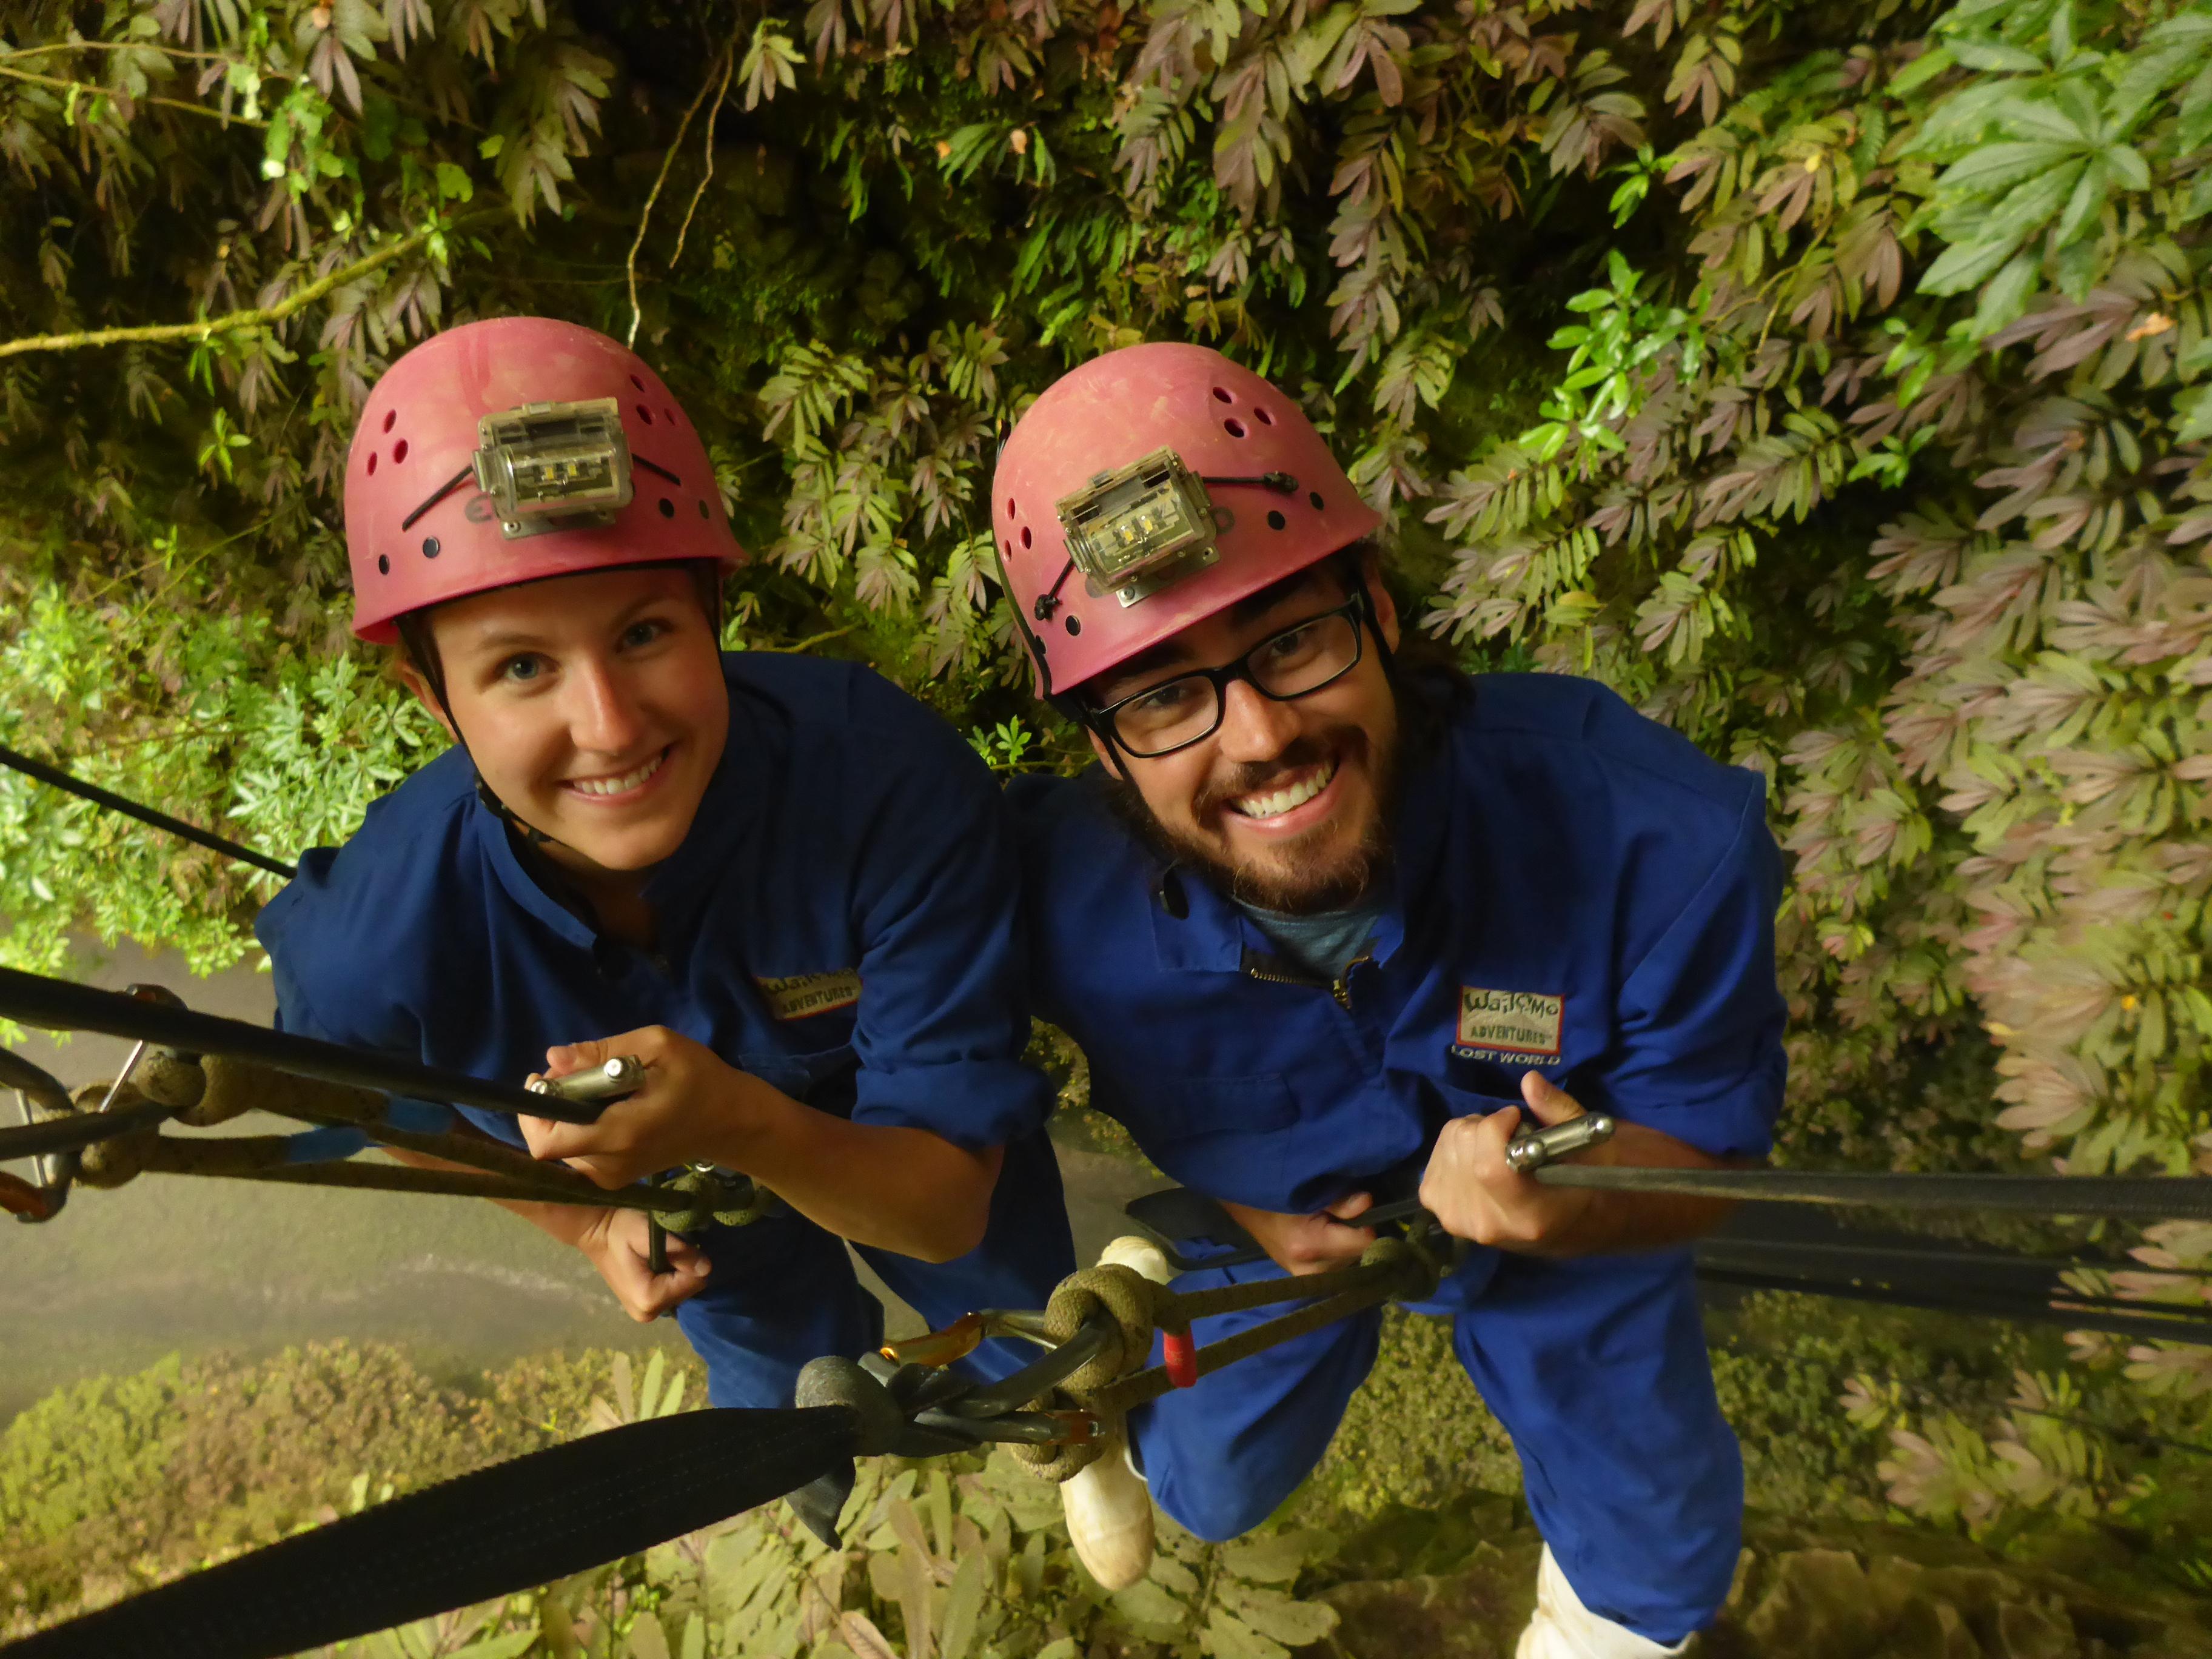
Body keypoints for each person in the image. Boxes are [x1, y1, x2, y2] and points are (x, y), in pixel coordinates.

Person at [994, 343, 1786, 1657]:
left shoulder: (1653, 841)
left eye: (1292, 639)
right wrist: (1254, 1213)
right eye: (1166, 695)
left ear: (1378, 606)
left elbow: (1710, 1151)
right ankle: (1167, 1273)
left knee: (1660, 1561)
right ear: (1100, 748)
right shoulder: (1037, 897)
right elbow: (879, 1034)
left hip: (1567, 1223)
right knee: (1210, 1488)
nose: (1257, 738)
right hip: (1287, 1225)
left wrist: (1574, 1197)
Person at [256, 316, 1074, 1408]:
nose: (609, 726)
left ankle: (1059, 1421)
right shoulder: (378, 941)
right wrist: (587, 1218)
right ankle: (824, 1498)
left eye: (644, 634)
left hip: (900, 1130)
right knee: (785, 1386)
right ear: (431, 696)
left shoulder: (884, 789)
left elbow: (944, 1202)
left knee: (1020, 1311)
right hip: (676, 1198)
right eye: (521, 666)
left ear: (713, 614)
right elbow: (372, 1100)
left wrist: (738, 1118)